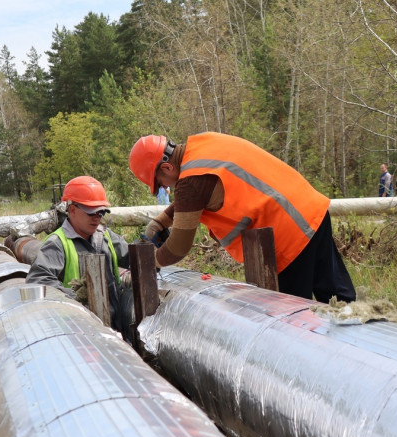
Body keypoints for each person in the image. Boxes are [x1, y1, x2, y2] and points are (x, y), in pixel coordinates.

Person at [128, 133, 356, 303]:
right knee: (339, 299)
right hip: (310, 210)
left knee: (293, 320)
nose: (164, 188)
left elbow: (178, 247)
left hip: (288, 237)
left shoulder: (190, 182)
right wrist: (159, 223)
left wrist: (151, 261)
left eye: (159, 183)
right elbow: (192, 198)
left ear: (167, 167)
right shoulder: (202, 145)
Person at [26, 176, 134, 340]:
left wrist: (151, 245)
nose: (97, 218)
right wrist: (74, 296)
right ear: (72, 210)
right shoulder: (57, 244)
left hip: (113, 329)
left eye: (101, 212)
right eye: (91, 212)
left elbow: (135, 258)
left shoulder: (105, 236)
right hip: (77, 334)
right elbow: (38, 283)